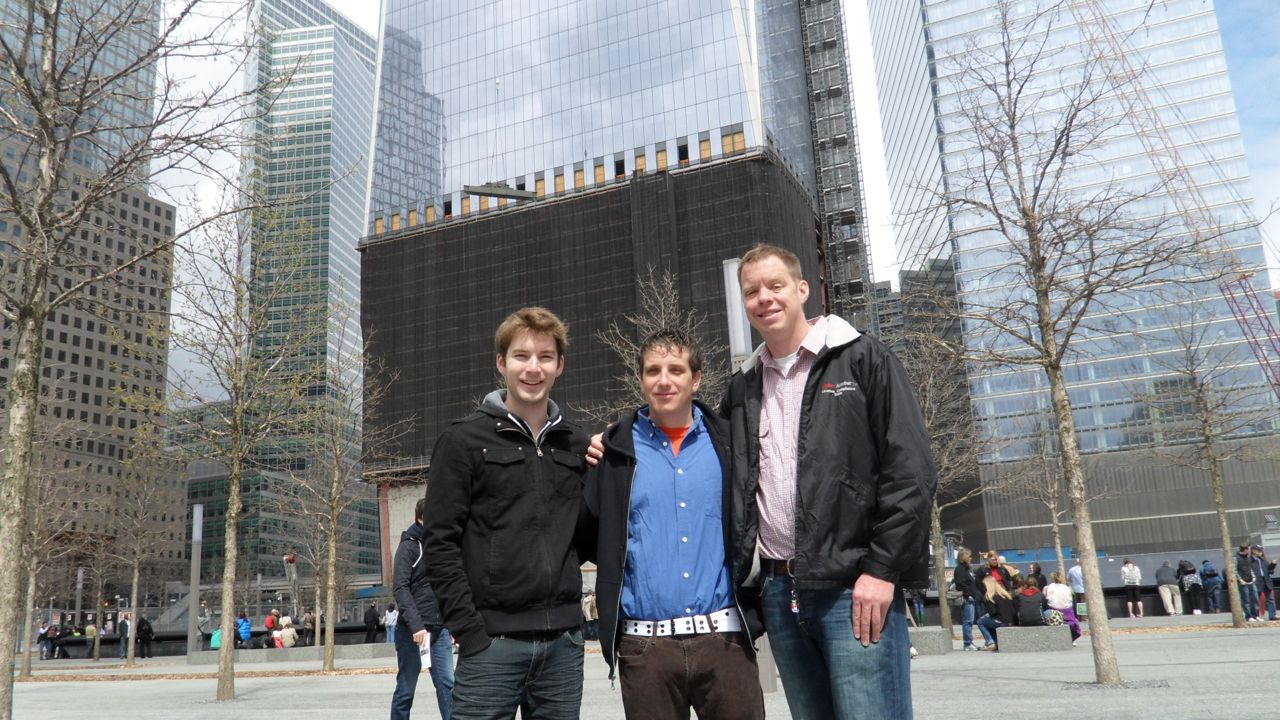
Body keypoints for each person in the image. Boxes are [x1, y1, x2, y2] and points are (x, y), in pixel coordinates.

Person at [719, 245, 935, 719]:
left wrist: (882, 572)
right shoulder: (742, 387)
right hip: (780, 593)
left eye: (775, 286)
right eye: (752, 290)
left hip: (854, 587)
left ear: (802, 290)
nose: (764, 298)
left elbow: (911, 471)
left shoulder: (862, 358)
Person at [580, 328, 766, 719]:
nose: (664, 380)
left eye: (676, 370)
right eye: (653, 370)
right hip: (645, 649)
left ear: (695, 378)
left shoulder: (730, 444)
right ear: (641, 379)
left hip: (725, 641)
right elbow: (586, 535)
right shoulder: (614, 452)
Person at [424, 307, 590, 719]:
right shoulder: (463, 441)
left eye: (545, 357)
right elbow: (440, 543)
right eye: (521, 356)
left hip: (563, 646)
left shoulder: (576, 446)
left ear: (560, 365)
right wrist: (471, 631)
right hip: (490, 645)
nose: (533, 368)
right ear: (501, 363)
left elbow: (584, 540)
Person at [392, 497, 455, 720]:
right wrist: (416, 625)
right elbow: (400, 587)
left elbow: (448, 585)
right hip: (413, 632)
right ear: (421, 519)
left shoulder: (441, 546)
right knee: (406, 689)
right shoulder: (409, 546)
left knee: (448, 685)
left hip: (439, 630)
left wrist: (454, 623)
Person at [976, 576, 1016, 651]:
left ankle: (990, 642)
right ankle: (996, 641)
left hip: (1001, 622)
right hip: (1011, 621)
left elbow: (993, 612)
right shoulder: (1005, 595)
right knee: (988, 621)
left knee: (980, 622)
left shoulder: (990, 596)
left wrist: (986, 615)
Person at [953, 549, 981, 651]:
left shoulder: (966, 569)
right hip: (967, 599)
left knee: (969, 621)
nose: (970, 558)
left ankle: (969, 643)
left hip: (971, 598)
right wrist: (968, 595)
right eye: (969, 556)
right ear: (963, 557)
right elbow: (960, 584)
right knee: (968, 621)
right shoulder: (960, 569)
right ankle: (968, 643)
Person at [1043, 571, 1081, 645]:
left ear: (1051, 579)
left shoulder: (1047, 588)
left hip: (1054, 611)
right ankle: (1072, 639)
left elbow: (1044, 598)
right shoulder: (1067, 588)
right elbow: (1071, 599)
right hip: (1067, 612)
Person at [1235, 544, 1259, 621]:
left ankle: (1255, 615)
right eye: (1248, 549)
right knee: (1246, 599)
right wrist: (1240, 579)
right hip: (1243, 581)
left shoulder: (1248, 557)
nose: (1249, 551)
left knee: (1255, 598)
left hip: (1251, 580)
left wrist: (1253, 576)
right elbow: (1234, 570)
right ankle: (1249, 616)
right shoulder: (1235, 557)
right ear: (1245, 550)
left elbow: (1250, 568)